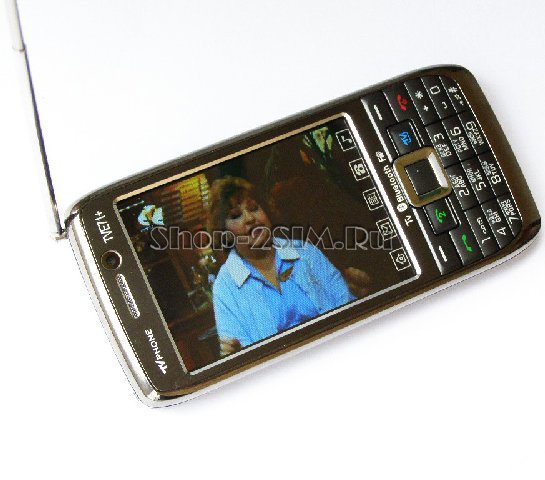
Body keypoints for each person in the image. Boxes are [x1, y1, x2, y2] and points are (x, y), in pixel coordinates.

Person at [208, 176, 356, 356]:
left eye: (254, 208)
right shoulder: (225, 286)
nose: (250, 218)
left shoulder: (304, 251)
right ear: (225, 233)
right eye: (236, 216)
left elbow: (346, 303)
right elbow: (237, 350)